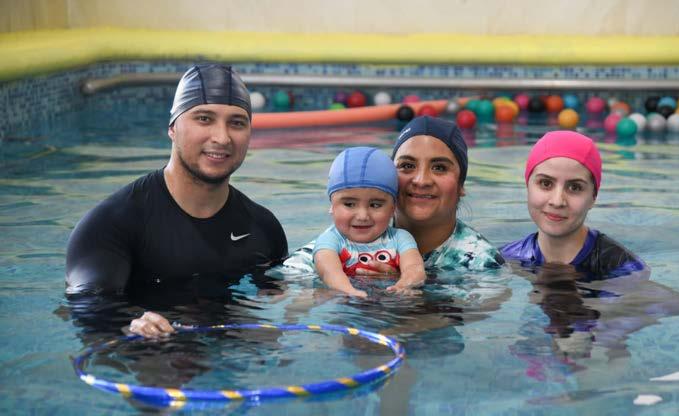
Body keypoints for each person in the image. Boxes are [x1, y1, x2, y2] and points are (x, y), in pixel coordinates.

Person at [65, 64, 288, 337]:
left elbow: (282, 297)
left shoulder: (264, 228)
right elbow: (87, 303)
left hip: (230, 344)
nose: (222, 137)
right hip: (147, 350)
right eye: (204, 119)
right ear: (172, 127)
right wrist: (129, 323)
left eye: (237, 123)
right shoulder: (110, 224)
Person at [275, 115, 504, 276]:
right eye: (407, 166)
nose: (421, 180)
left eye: (439, 168)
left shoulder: (481, 263)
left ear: (461, 185)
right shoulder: (350, 236)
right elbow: (288, 282)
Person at [500, 130, 646, 278]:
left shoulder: (623, 268)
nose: (557, 201)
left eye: (575, 187)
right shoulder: (506, 259)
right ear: (528, 186)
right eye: (545, 183)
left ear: (593, 197)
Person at [314, 146, 426, 297]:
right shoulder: (330, 240)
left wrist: (403, 285)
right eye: (349, 204)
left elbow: (415, 268)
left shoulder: (400, 238)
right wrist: (350, 292)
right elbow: (329, 273)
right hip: (346, 302)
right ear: (332, 206)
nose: (362, 216)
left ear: (393, 208)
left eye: (375, 205)